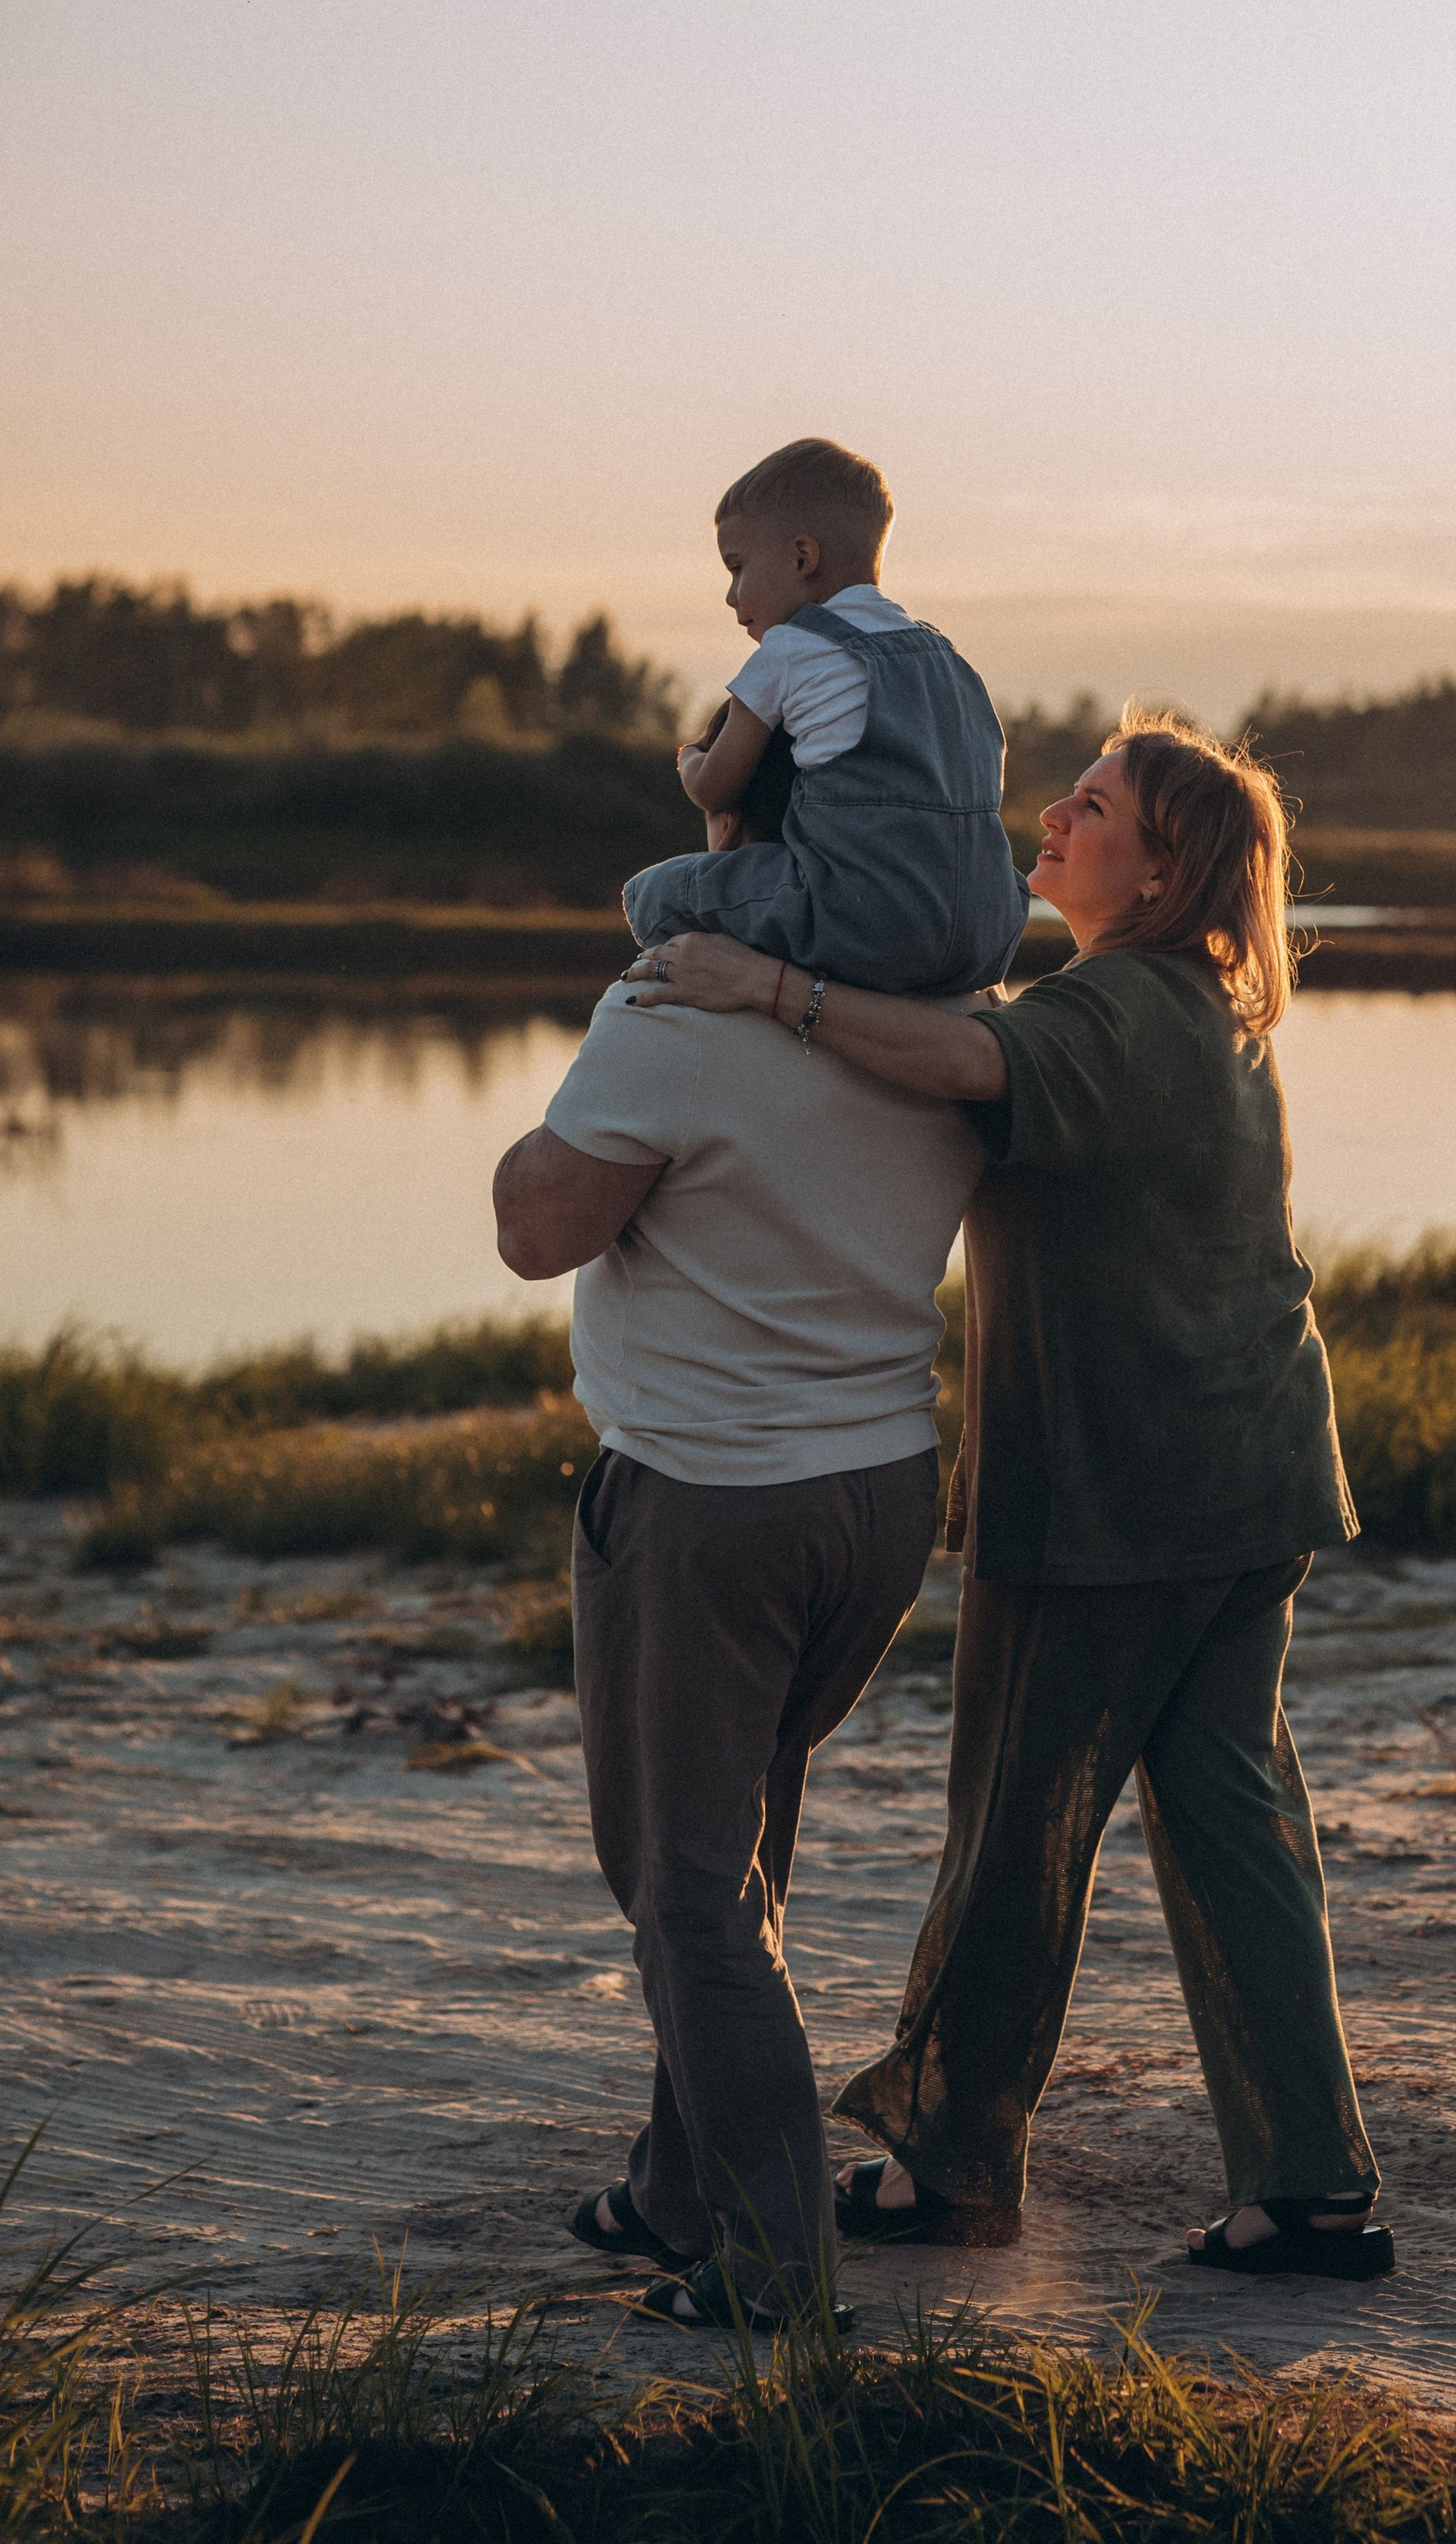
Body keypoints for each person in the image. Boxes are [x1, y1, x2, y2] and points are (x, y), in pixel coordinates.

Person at [621, 712, 1392, 2283]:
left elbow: (973, 1062)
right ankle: (1308, 2184)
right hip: (1251, 1476)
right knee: (1234, 1817)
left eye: (1092, 806)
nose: (1054, 815)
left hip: (1120, 1495)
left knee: (1017, 1823)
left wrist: (770, 988)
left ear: (1160, 869)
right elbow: (965, 1050)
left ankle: (954, 2160)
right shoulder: (1199, 1007)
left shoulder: (1116, 1009)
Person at [492, 720, 985, 2327]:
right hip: (877, 1495)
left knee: (683, 1890)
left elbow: (538, 1229)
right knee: (732, 1843)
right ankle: (679, 2186)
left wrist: (538, 1139)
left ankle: (775, 2269)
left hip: (710, 1501)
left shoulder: (671, 1009)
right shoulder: (938, 1018)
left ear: (734, 826)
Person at [622, 436, 1030, 997]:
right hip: (986, 935)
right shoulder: (951, 661)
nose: (731, 596)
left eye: (737, 568)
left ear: (802, 558)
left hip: (859, 921)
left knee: (655, 893)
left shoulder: (792, 648)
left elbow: (717, 789)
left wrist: (691, 759)